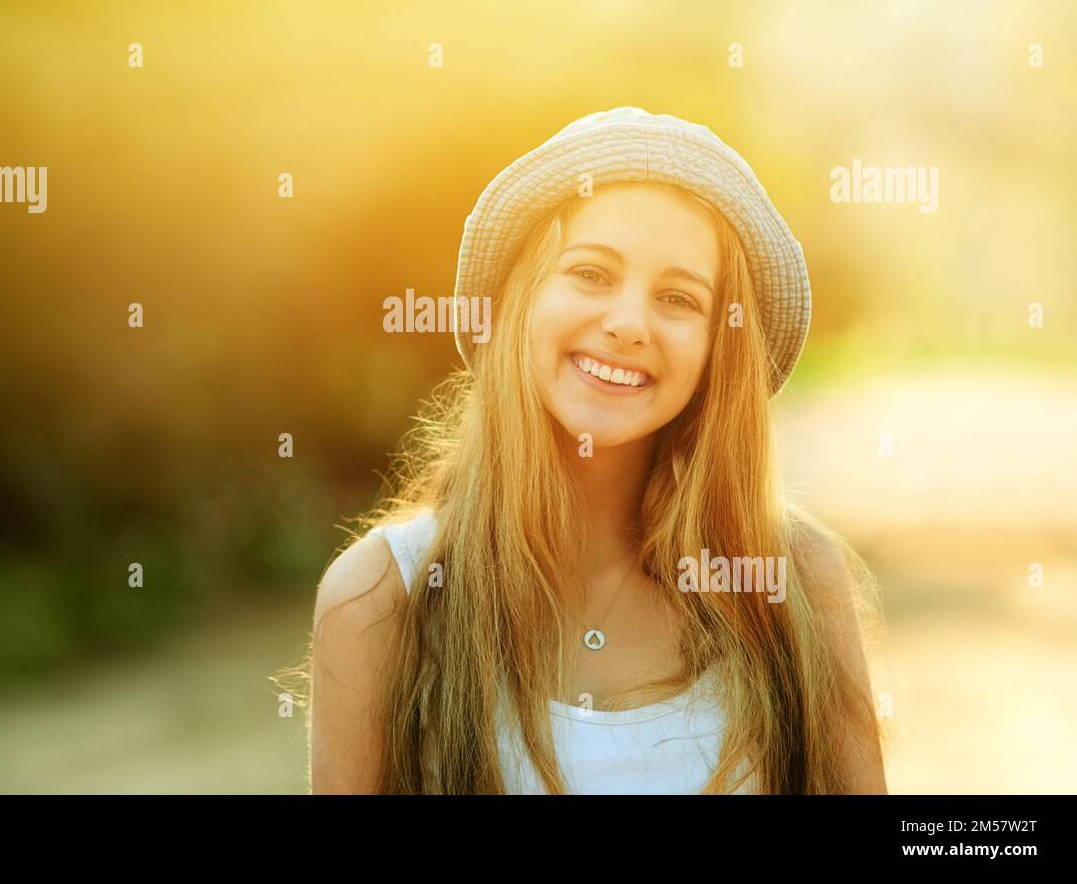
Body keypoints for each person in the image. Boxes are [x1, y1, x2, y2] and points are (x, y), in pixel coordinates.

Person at [304, 107, 888, 794]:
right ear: (517, 300)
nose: (628, 325)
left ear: (717, 351)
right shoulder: (380, 599)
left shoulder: (793, 582)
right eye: (590, 273)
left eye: (678, 297)